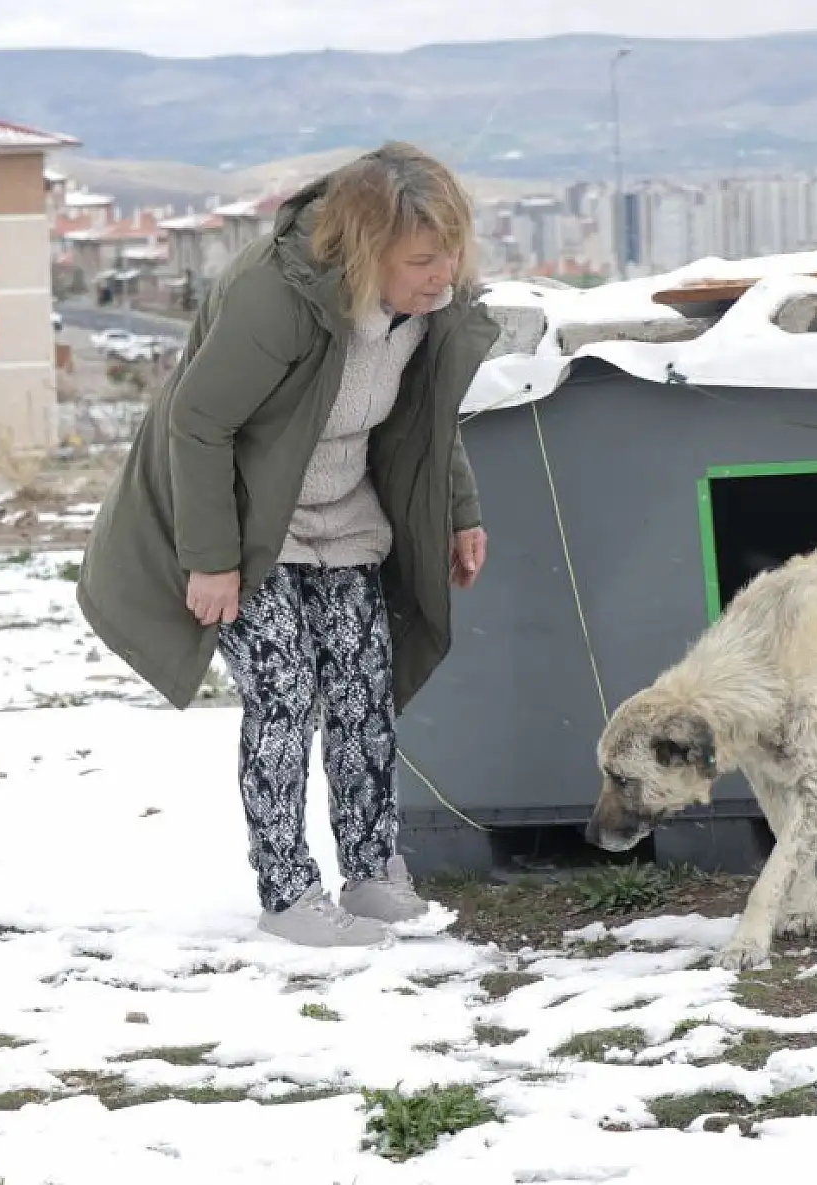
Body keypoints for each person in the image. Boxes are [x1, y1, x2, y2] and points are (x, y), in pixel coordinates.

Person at [76, 141, 500, 947]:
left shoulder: (430, 306)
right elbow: (195, 422)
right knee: (285, 690)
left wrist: (460, 510)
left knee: (362, 691)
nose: (442, 275)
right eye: (420, 260)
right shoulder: (278, 299)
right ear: (370, 250)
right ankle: (288, 891)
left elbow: (427, 420)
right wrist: (211, 559)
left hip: (345, 516)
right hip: (245, 521)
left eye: (450, 254)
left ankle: (373, 872)